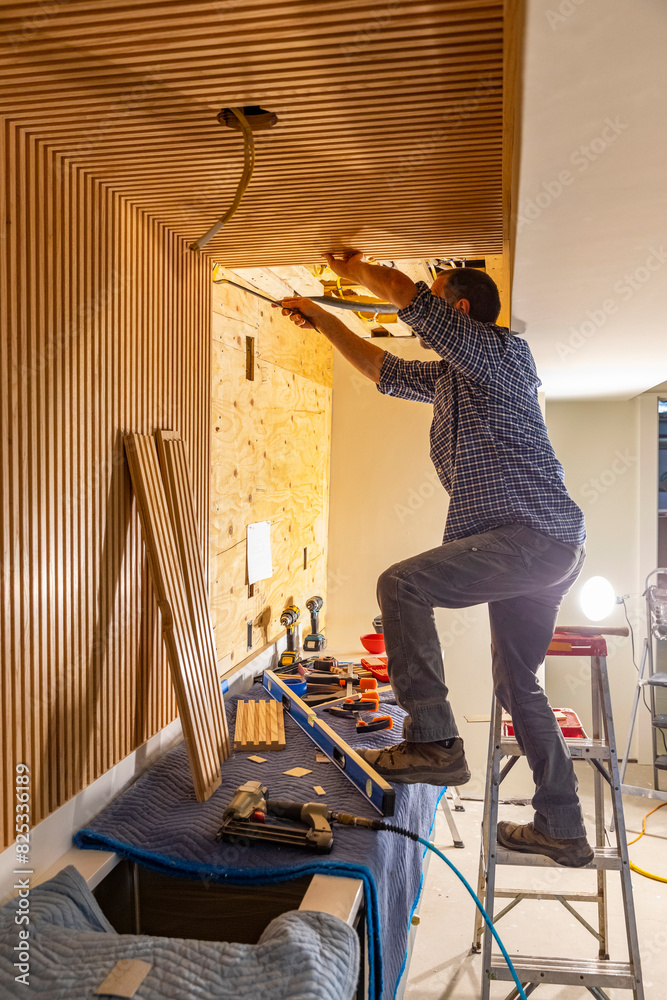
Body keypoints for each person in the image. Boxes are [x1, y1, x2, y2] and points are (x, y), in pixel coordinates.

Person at [276, 251, 593, 868]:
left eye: (436, 292)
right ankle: (563, 827)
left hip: (531, 537)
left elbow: (402, 290)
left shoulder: (499, 353)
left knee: (402, 585)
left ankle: (434, 742)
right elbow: (381, 368)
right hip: (541, 545)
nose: (423, 300)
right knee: (517, 685)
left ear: (459, 309)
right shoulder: (453, 376)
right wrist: (322, 318)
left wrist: (351, 265)